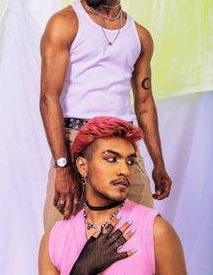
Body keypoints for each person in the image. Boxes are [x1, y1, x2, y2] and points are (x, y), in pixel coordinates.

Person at [39, 0, 172, 230]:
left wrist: (158, 164)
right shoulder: (65, 22)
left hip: (126, 146)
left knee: (141, 237)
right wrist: (63, 166)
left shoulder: (139, 36)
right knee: (64, 240)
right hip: (77, 143)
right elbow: (48, 97)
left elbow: (145, 103)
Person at [38, 117, 186, 274]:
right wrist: (81, 269)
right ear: (83, 166)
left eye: (130, 162)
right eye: (112, 159)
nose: (124, 170)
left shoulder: (156, 231)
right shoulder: (53, 240)